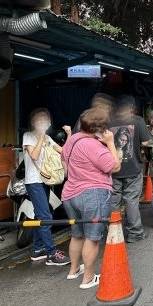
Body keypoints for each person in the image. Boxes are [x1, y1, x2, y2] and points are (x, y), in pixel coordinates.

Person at [61, 107, 121, 289]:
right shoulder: (93, 145)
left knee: (77, 235)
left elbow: (64, 164)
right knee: (92, 237)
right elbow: (114, 166)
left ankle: (73, 270)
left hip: (70, 193)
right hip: (92, 194)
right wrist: (110, 143)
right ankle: (88, 278)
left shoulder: (72, 140)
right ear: (101, 128)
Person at [23, 108, 71, 265]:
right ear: (33, 122)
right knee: (45, 216)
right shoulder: (28, 136)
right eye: (39, 119)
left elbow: (64, 152)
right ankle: (51, 253)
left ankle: (38, 249)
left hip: (45, 181)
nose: (43, 122)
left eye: (45, 119)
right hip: (34, 182)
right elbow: (34, 155)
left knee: (42, 214)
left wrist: (69, 135)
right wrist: (41, 136)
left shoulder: (49, 138)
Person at [108, 95, 151, 243]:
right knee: (131, 201)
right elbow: (146, 142)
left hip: (113, 169)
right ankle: (134, 233)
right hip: (133, 168)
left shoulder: (109, 121)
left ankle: (113, 232)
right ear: (131, 107)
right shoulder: (137, 120)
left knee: (114, 201)